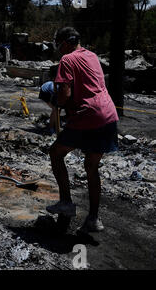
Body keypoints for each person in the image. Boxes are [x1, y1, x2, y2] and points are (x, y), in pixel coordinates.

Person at [45, 27, 119, 233]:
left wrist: (56, 101)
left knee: (56, 153)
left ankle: (66, 203)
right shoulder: (92, 56)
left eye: (58, 44)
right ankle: (94, 219)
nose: (58, 49)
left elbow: (64, 94)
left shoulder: (67, 60)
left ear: (66, 42)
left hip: (88, 115)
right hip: (108, 115)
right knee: (91, 167)